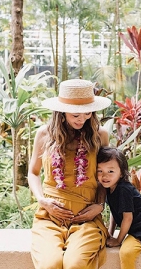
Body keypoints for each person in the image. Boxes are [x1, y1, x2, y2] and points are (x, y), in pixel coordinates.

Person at [28, 79, 111, 269]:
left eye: (88, 113)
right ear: (62, 112)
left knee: (75, 264)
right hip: (50, 216)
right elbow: (33, 172)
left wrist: (99, 205)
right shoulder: (44, 134)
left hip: (86, 217)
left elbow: (106, 177)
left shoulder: (100, 135)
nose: (82, 119)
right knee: (51, 264)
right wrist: (42, 201)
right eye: (76, 115)